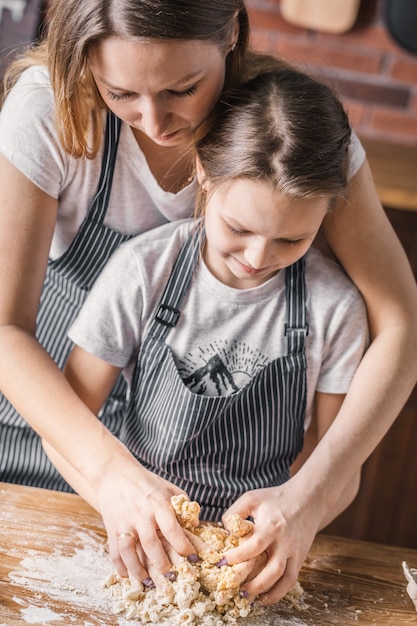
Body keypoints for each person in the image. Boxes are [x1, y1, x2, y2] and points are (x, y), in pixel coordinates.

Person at [0, 0, 415, 605]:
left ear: (231, 36)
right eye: (120, 93)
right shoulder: (50, 109)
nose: (154, 121)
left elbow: (400, 323)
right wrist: (113, 475)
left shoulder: (293, 136)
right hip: (41, 431)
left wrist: (312, 493)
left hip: (195, 488)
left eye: (182, 88)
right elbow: (6, 327)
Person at [46, 65, 369, 602]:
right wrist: (114, 498)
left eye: (292, 240)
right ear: (203, 173)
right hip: (137, 545)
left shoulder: (335, 309)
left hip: (252, 558)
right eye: (238, 229)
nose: (257, 259)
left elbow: (336, 468)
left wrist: (297, 517)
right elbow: (64, 425)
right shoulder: (142, 271)